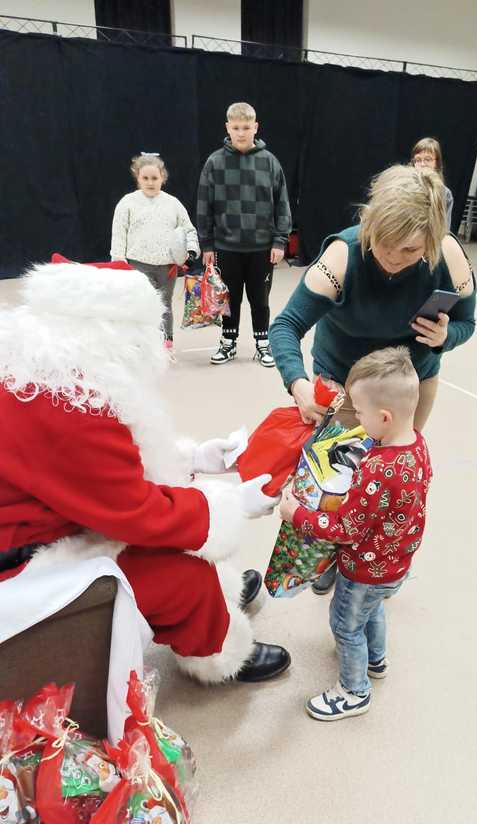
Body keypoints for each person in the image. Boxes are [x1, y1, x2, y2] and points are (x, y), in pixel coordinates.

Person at [0, 261, 291, 685]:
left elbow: (102, 471)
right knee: (179, 576)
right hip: (24, 564)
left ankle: (220, 596)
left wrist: (192, 460)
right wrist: (231, 506)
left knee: (182, 535)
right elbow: (137, 514)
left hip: (42, 526)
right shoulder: (68, 407)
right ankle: (217, 650)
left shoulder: (45, 377)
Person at [270, 164, 475, 592]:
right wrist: (299, 384)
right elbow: (286, 325)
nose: (393, 258)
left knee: (392, 477)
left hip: (409, 386)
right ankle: (328, 557)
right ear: (369, 221)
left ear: (434, 238)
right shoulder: (341, 257)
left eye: (410, 249)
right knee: (339, 480)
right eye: (383, 242)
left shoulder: (451, 258)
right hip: (345, 386)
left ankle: (379, 562)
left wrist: (444, 336)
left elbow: (466, 324)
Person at [280, 347, 431, 720]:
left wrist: (296, 513)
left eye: (360, 413)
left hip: (363, 568)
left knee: (345, 625)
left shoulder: (378, 468)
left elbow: (345, 529)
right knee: (371, 609)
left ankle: (353, 691)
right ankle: (375, 659)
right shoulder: (417, 446)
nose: (357, 419)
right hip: (395, 564)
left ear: (383, 416)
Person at [197, 102, 291, 368]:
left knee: (260, 299)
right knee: (230, 298)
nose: (241, 133)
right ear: (227, 127)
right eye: (236, 127)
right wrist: (207, 244)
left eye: (246, 127)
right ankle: (229, 342)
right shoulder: (214, 162)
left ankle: (263, 344)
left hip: (262, 247)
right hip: (227, 246)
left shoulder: (269, 162)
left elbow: (282, 203)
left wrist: (280, 240)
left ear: (256, 127)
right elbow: (204, 205)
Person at [111, 153, 200, 352]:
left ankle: (166, 345)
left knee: (164, 305)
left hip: (167, 267)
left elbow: (188, 229)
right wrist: (119, 260)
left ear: (162, 178)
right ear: (137, 178)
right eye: (145, 178)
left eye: (154, 178)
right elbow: (119, 233)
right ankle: (141, 346)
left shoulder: (173, 203)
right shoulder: (127, 203)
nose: (150, 182)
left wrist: (191, 251)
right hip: (137, 264)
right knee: (141, 305)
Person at [411, 137, 453, 229]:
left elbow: (444, 231)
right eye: (418, 160)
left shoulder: (445, 194)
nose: (422, 164)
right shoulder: (404, 189)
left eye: (428, 159)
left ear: (437, 164)